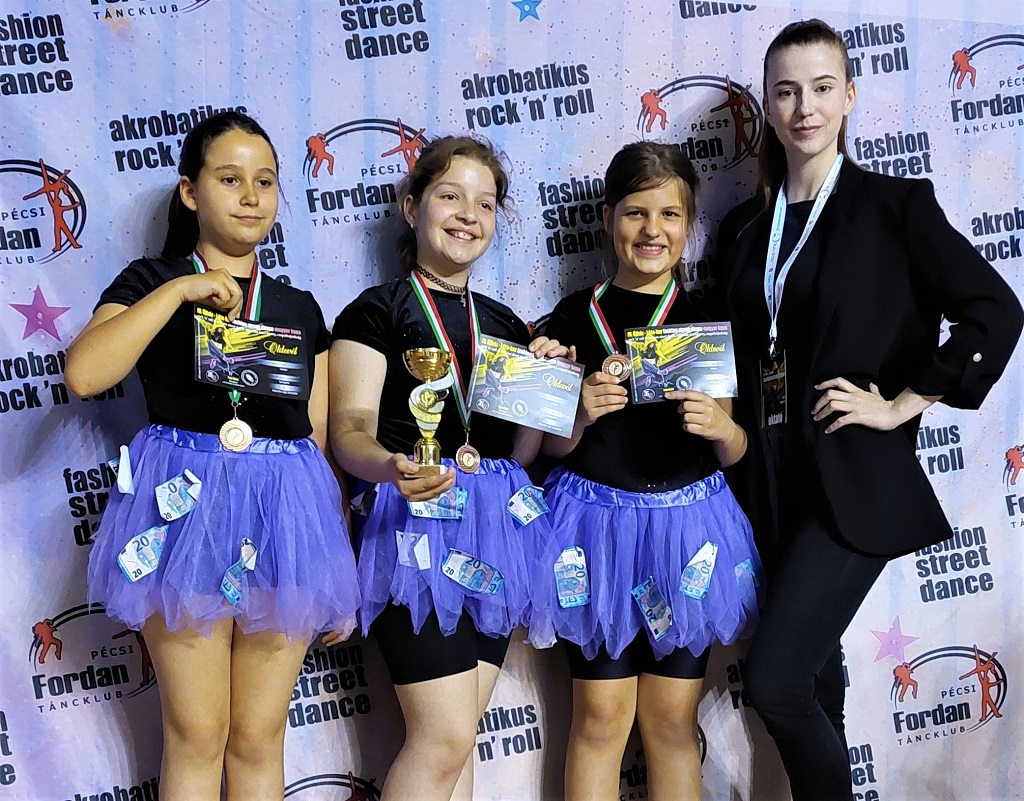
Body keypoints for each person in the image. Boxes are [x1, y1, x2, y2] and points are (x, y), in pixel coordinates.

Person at [714, 19, 1023, 801]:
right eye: (787, 92)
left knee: (776, 680)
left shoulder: (895, 204)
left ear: (849, 96)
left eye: (822, 88)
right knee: (816, 680)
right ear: (768, 106)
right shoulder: (745, 229)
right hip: (766, 481)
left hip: (853, 477)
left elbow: (995, 311)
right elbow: (722, 346)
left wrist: (901, 404)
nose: (805, 107)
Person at [66, 111, 360, 801]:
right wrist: (179, 291)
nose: (251, 196)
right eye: (230, 179)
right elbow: (84, 372)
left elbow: (317, 438)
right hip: (184, 517)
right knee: (197, 734)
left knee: (258, 737)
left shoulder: (299, 306)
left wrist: (334, 550)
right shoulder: (152, 279)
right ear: (190, 192)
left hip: (284, 521)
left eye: (265, 181)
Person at [329, 135, 566, 801]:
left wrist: (546, 382)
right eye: (450, 196)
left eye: (485, 203)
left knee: (458, 750)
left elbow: (519, 456)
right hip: (413, 526)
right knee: (443, 738)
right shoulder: (375, 311)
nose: (468, 214)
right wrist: (391, 467)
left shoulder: (507, 324)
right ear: (413, 208)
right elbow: (348, 432)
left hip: (494, 531)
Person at [537, 141, 763, 801]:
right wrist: (578, 415)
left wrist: (723, 429)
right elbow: (549, 449)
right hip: (595, 533)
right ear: (609, 218)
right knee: (599, 718)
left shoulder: (707, 319)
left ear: (689, 225)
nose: (652, 230)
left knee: (670, 719)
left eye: (669, 214)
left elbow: (737, 449)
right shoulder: (572, 316)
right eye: (636, 212)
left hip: (686, 534)